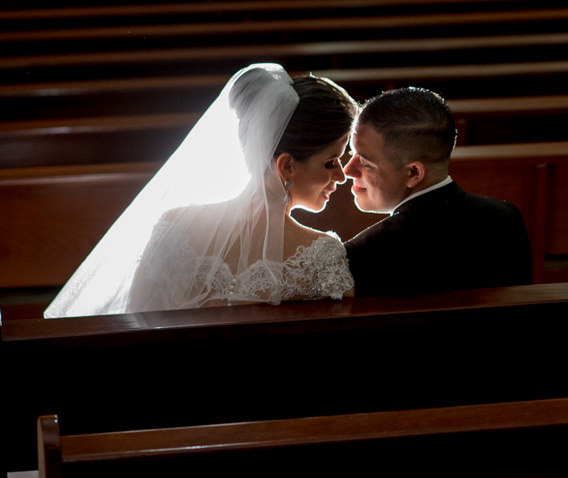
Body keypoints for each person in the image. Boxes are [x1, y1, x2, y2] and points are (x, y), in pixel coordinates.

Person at [44, 64, 358, 318]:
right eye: (331, 161)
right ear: (286, 165)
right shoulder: (323, 256)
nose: (342, 176)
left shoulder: (174, 228)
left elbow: (135, 326)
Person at [342, 87, 532, 295]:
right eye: (352, 154)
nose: (348, 170)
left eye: (365, 163)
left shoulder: (367, 252)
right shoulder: (507, 218)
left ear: (414, 173)